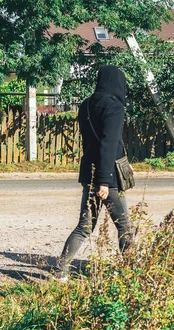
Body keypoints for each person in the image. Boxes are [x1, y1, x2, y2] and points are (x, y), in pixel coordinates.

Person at [56, 65, 131, 280]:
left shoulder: (86, 105)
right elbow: (108, 144)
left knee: (84, 227)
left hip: (89, 171)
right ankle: (131, 274)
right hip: (108, 178)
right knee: (125, 226)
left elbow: (92, 142)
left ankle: (61, 270)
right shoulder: (115, 107)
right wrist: (105, 181)